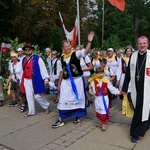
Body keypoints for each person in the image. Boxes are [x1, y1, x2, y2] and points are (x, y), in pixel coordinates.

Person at [52, 31, 95, 128]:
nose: (68, 47)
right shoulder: (61, 59)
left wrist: (89, 42)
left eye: (68, 45)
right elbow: (61, 72)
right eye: (65, 46)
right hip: (66, 82)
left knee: (77, 98)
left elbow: (85, 52)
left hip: (77, 80)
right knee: (63, 98)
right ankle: (61, 119)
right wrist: (59, 84)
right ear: (62, 48)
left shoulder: (76, 54)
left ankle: (77, 116)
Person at [122, 36, 150, 143]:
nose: (142, 45)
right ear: (137, 44)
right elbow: (128, 73)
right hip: (136, 89)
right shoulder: (133, 56)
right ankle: (135, 131)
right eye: (140, 43)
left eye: (144, 43)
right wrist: (124, 88)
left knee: (146, 109)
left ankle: (137, 132)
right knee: (139, 110)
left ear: (147, 44)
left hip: (148, 89)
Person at [20, 44, 50, 116]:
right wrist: (21, 81)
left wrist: (45, 79)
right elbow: (22, 71)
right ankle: (31, 111)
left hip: (35, 79)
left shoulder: (37, 58)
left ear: (32, 50)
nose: (27, 51)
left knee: (37, 96)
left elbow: (43, 69)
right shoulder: (23, 59)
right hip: (26, 80)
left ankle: (46, 105)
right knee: (29, 96)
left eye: (29, 49)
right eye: (26, 50)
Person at [89, 67, 120, 131]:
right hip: (98, 98)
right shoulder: (94, 81)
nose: (100, 74)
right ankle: (101, 121)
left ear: (104, 73)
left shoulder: (106, 80)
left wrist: (119, 92)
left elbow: (111, 89)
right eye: (99, 73)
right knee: (99, 110)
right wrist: (92, 90)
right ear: (96, 74)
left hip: (105, 98)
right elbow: (92, 90)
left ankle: (104, 123)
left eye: (102, 73)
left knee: (104, 110)